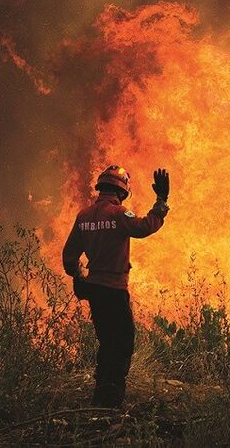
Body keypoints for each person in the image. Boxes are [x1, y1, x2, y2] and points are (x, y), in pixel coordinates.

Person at [62, 164, 170, 408]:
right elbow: (146, 227)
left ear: (100, 188)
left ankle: (100, 397)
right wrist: (161, 202)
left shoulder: (83, 216)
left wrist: (79, 277)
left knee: (107, 342)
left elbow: (69, 258)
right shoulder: (119, 214)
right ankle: (111, 402)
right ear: (122, 192)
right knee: (122, 344)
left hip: (95, 291)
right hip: (115, 289)